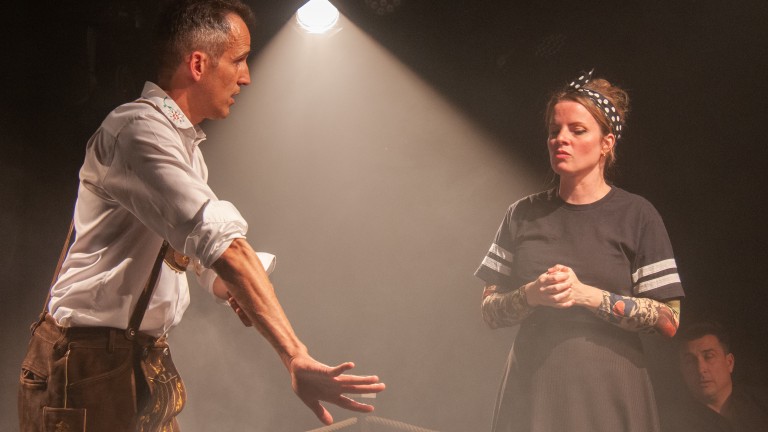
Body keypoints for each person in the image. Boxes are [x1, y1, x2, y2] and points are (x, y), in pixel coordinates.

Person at [17, 1, 384, 431]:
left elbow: (193, 258)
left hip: (130, 358)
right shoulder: (136, 131)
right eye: (239, 60)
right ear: (197, 64)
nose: (246, 77)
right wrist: (294, 355)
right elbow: (223, 246)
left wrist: (235, 288)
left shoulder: (182, 147)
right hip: (86, 362)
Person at [474, 70, 685, 432]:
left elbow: (669, 319)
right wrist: (532, 294)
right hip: (532, 388)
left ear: (607, 143)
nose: (561, 139)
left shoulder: (637, 215)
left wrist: (586, 295)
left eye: (577, 130)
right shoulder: (521, 214)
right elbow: (489, 312)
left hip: (610, 388)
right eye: (554, 130)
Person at [667, 321, 768, 432]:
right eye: (690, 361)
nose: (701, 369)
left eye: (709, 356)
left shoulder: (761, 404)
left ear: (729, 362)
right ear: (682, 370)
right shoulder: (673, 424)